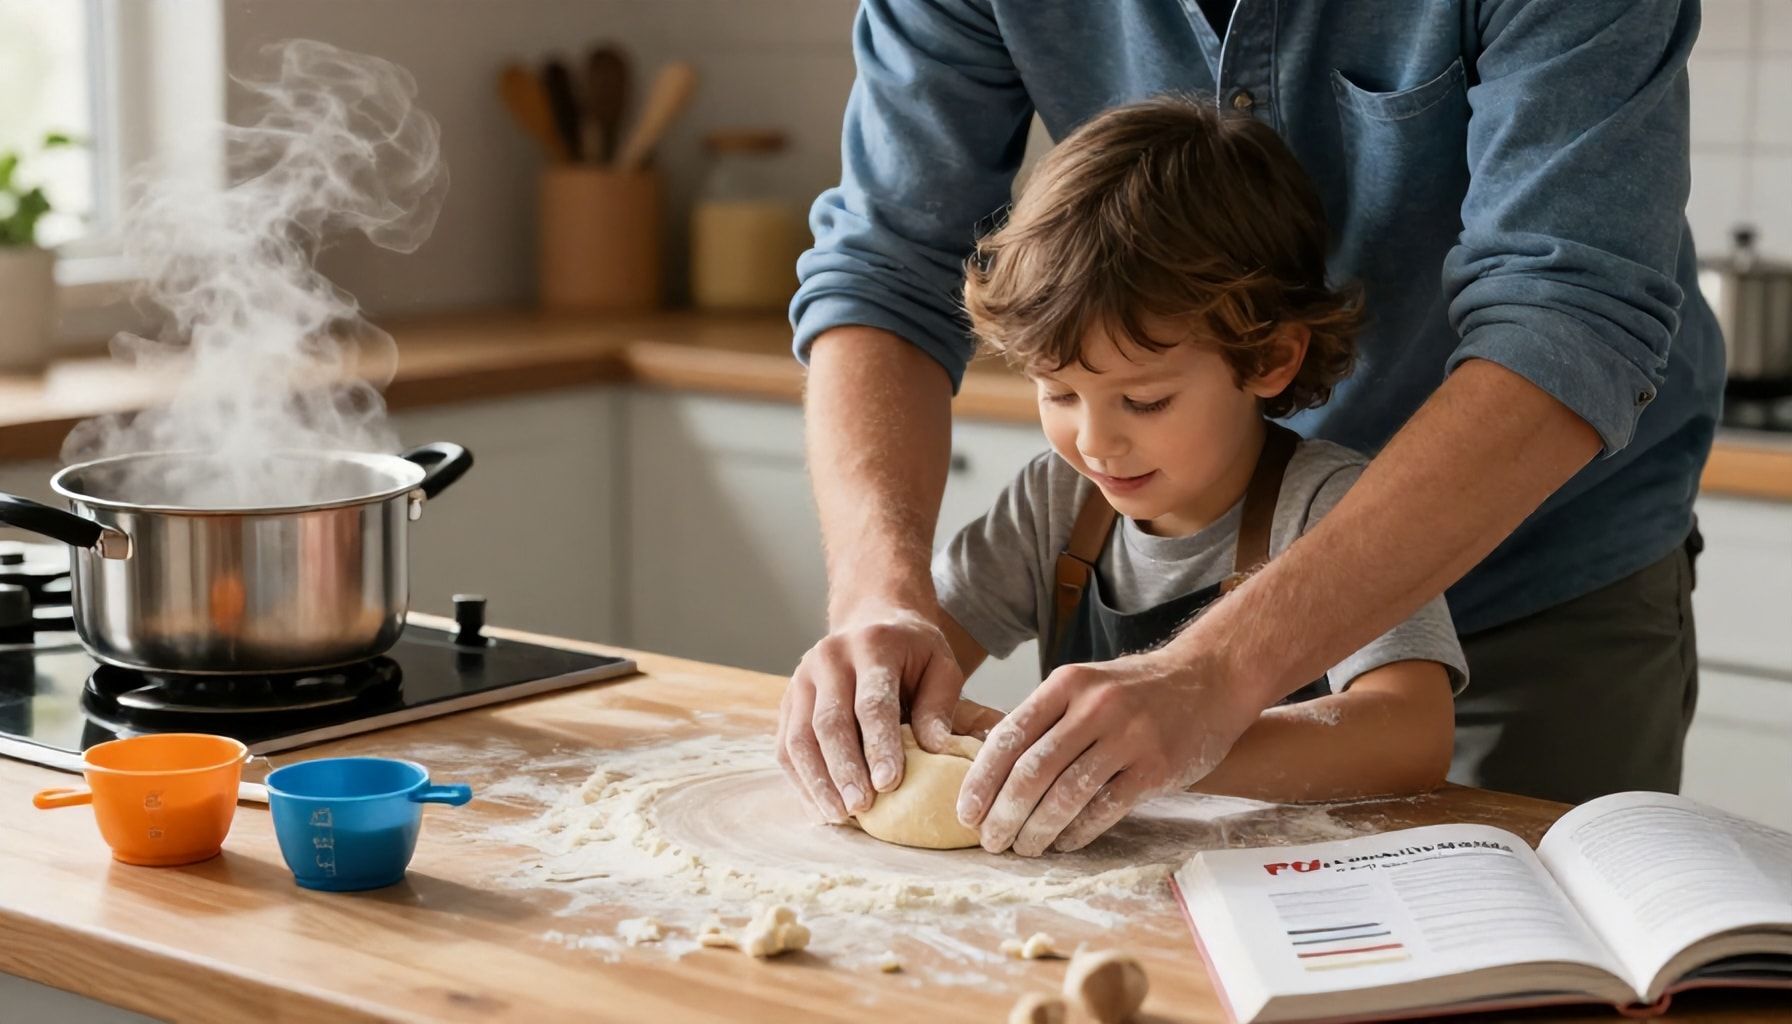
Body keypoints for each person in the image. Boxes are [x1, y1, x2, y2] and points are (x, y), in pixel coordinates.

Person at [780, 0, 1721, 854]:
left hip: (1536, 565)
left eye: (1141, 400)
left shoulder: (1319, 492)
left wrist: (1211, 687)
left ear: (1272, 358)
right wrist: (878, 616)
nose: (1098, 441)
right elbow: (886, 266)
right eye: (1057, 391)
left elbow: (1567, 317)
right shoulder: (1061, 503)